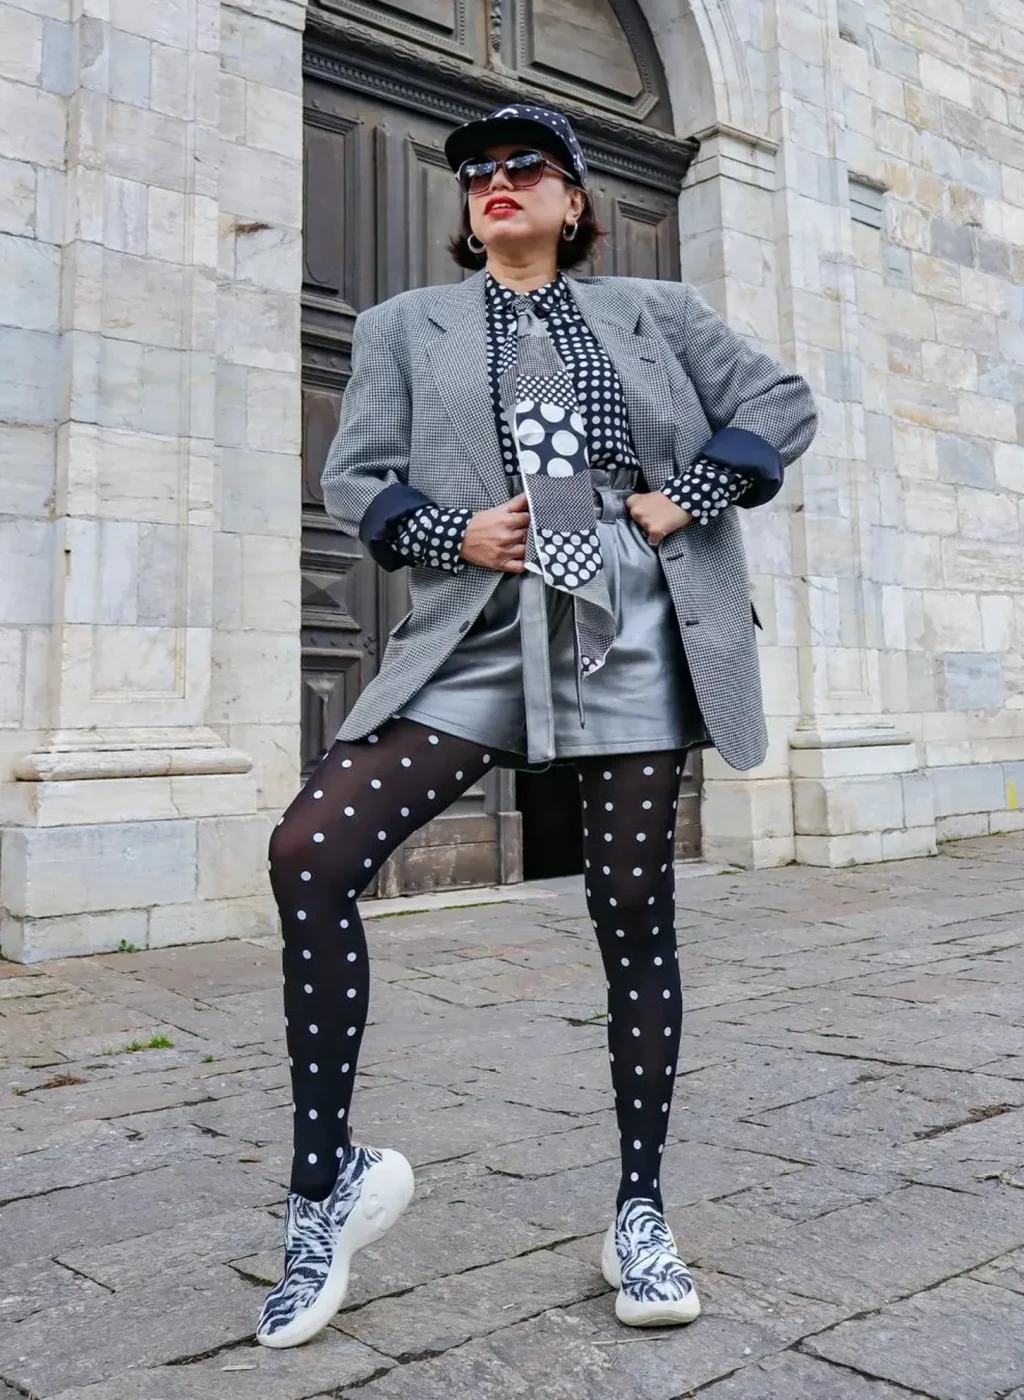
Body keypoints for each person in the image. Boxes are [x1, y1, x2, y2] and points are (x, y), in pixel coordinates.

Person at [256, 103, 817, 1349]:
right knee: (312, 852)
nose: (495, 183)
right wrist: (450, 531)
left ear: (572, 205)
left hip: (627, 620)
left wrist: (686, 495)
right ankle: (325, 1184)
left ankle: (637, 1207)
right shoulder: (406, 326)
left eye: (525, 169)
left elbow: (780, 403)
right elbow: (356, 478)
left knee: (632, 911)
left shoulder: (655, 316)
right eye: (477, 173)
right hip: (478, 630)